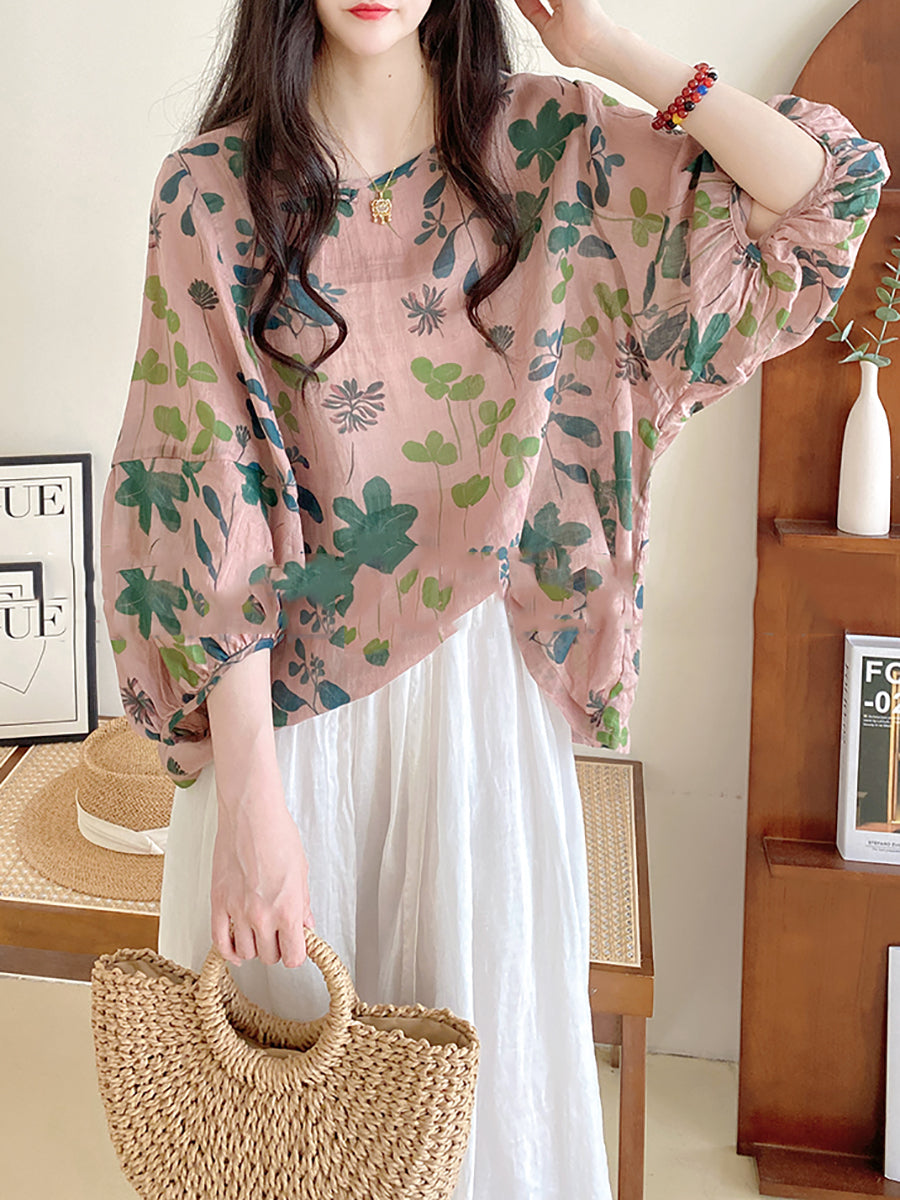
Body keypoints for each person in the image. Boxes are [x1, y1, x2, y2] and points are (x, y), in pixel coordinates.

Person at [98, 0, 889, 1195]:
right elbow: (204, 501)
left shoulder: (550, 148)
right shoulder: (212, 193)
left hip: (483, 713)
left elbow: (821, 194)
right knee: (282, 1135)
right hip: (286, 730)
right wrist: (252, 804)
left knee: (482, 1125)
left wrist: (604, 47)